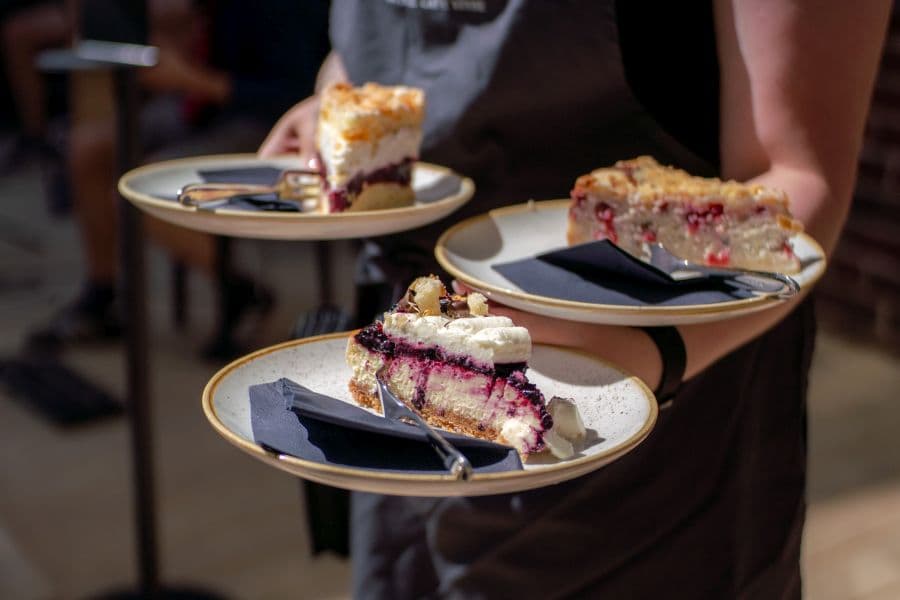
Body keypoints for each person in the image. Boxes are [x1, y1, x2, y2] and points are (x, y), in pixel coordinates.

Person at [260, 1, 890, 597]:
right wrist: (332, 104)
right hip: (405, 400)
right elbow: (366, 46)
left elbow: (800, 180)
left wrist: (648, 355)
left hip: (653, 429)